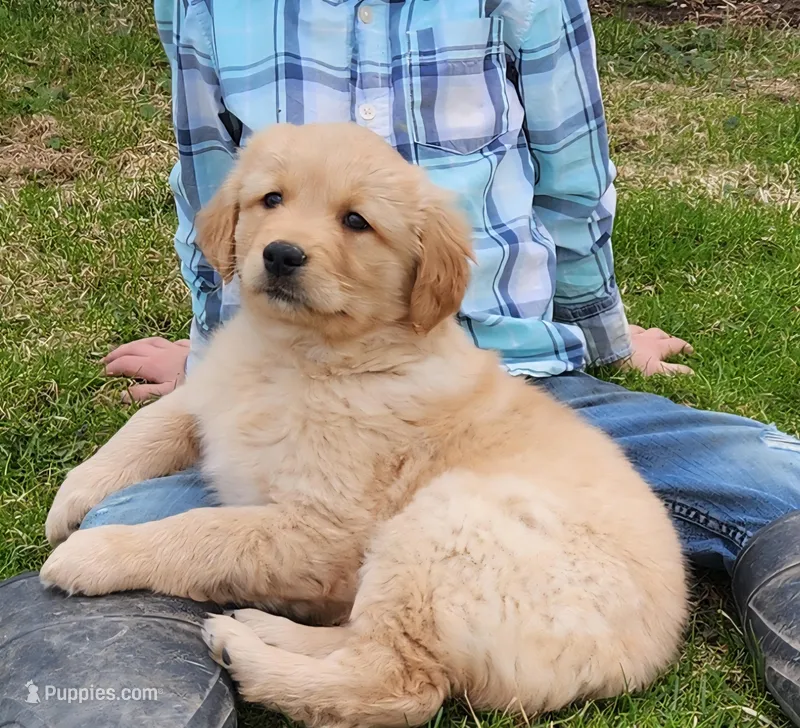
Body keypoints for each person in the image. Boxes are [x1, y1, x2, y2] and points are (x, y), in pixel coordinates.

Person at [74, 0, 800, 723]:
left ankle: (377, 664)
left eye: (353, 220)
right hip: (305, 382)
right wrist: (205, 360)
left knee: (774, 475)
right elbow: (210, 178)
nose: (293, 236)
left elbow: (574, 180)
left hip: (527, 378)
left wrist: (602, 333)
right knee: (119, 529)